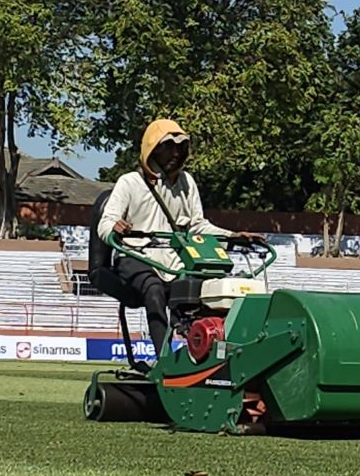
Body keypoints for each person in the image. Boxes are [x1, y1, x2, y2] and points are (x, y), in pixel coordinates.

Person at [96, 119, 261, 360]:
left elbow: (197, 225)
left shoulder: (187, 183)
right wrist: (115, 227)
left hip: (174, 260)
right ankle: (164, 361)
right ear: (152, 149)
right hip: (136, 255)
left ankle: (204, 350)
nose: (175, 153)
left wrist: (231, 237)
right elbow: (106, 221)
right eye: (168, 147)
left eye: (180, 148)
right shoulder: (129, 182)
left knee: (206, 287)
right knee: (153, 290)